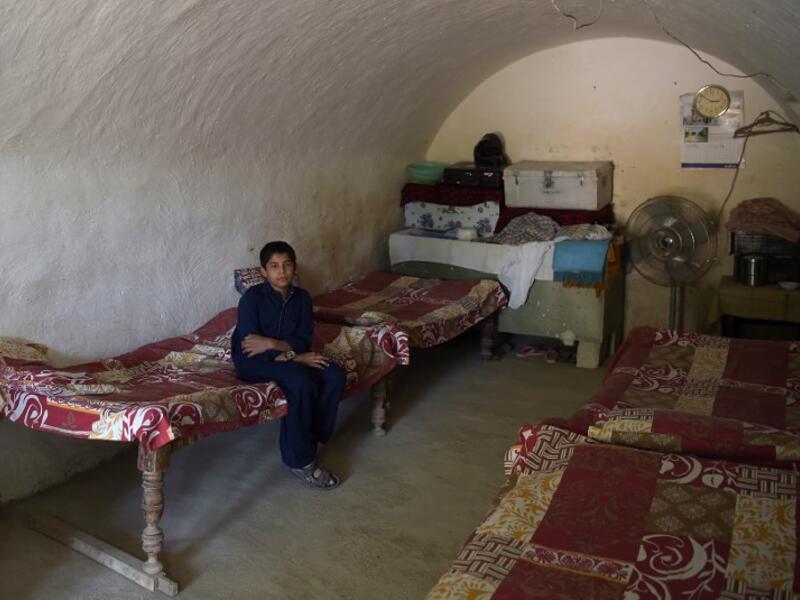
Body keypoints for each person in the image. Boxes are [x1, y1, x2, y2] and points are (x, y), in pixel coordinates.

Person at [231, 241, 346, 490]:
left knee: (334, 374)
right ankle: (300, 460)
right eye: (274, 266)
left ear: (295, 269)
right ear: (264, 272)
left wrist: (277, 346)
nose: (281, 271)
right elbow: (251, 345)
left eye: (287, 265)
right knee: (301, 380)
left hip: (289, 356)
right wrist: (292, 355)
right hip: (251, 363)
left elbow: (303, 339)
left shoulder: (302, 298)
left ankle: (312, 438)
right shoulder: (252, 299)